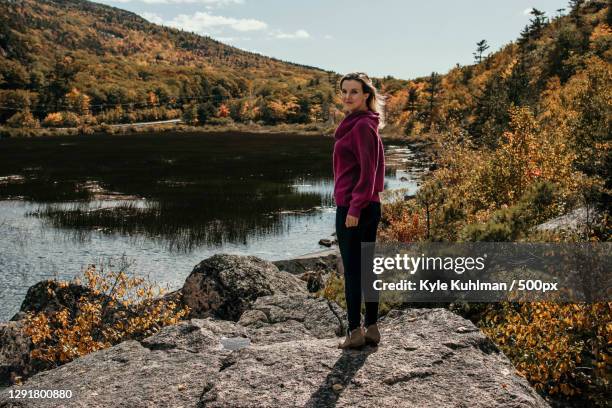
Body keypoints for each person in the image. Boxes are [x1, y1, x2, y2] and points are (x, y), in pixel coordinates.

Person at [333, 72, 385, 349]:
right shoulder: (362, 124)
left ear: (366, 95)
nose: (347, 96)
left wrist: (353, 208)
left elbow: (368, 173)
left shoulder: (362, 126)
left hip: (356, 208)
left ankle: (354, 332)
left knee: (354, 271)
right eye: (344, 91)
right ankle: (372, 329)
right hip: (367, 206)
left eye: (354, 91)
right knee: (367, 268)